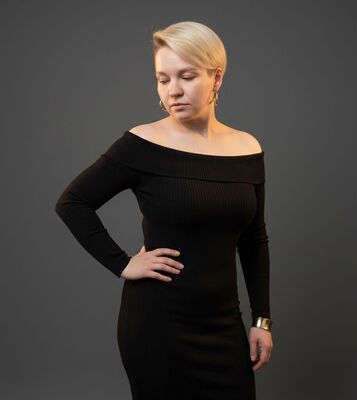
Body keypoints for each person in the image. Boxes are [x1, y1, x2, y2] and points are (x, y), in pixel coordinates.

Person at [55, 20, 273, 400]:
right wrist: (123, 264)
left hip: (224, 323)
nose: (173, 90)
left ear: (216, 78)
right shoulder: (142, 144)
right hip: (158, 326)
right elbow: (72, 203)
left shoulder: (247, 148)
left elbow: (254, 239)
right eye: (162, 79)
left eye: (186, 76)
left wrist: (262, 319)